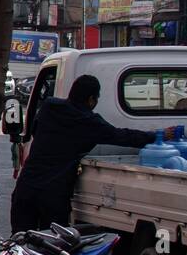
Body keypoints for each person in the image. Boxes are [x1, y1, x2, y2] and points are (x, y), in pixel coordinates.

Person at [10, 74, 157, 233]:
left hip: (25, 188)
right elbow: (123, 136)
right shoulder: (88, 122)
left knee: (19, 239)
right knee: (51, 244)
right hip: (53, 195)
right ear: (91, 99)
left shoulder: (49, 107)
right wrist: (157, 136)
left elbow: (34, 131)